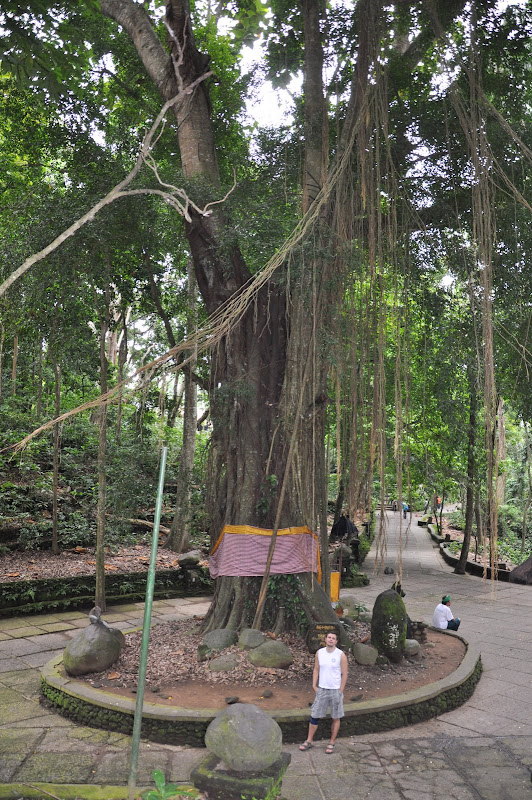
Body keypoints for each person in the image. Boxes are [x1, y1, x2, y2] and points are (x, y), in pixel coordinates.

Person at [299, 631, 348, 754]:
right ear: (325, 639)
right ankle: (309, 740)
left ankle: (331, 742)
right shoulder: (319, 653)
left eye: (333, 638)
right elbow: (316, 669)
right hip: (322, 689)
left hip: (335, 689)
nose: (331, 640)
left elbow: (344, 673)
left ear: (336, 641)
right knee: (315, 715)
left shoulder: (340, 655)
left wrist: (341, 690)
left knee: (335, 717)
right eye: (329, 637)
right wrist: (314, 685)